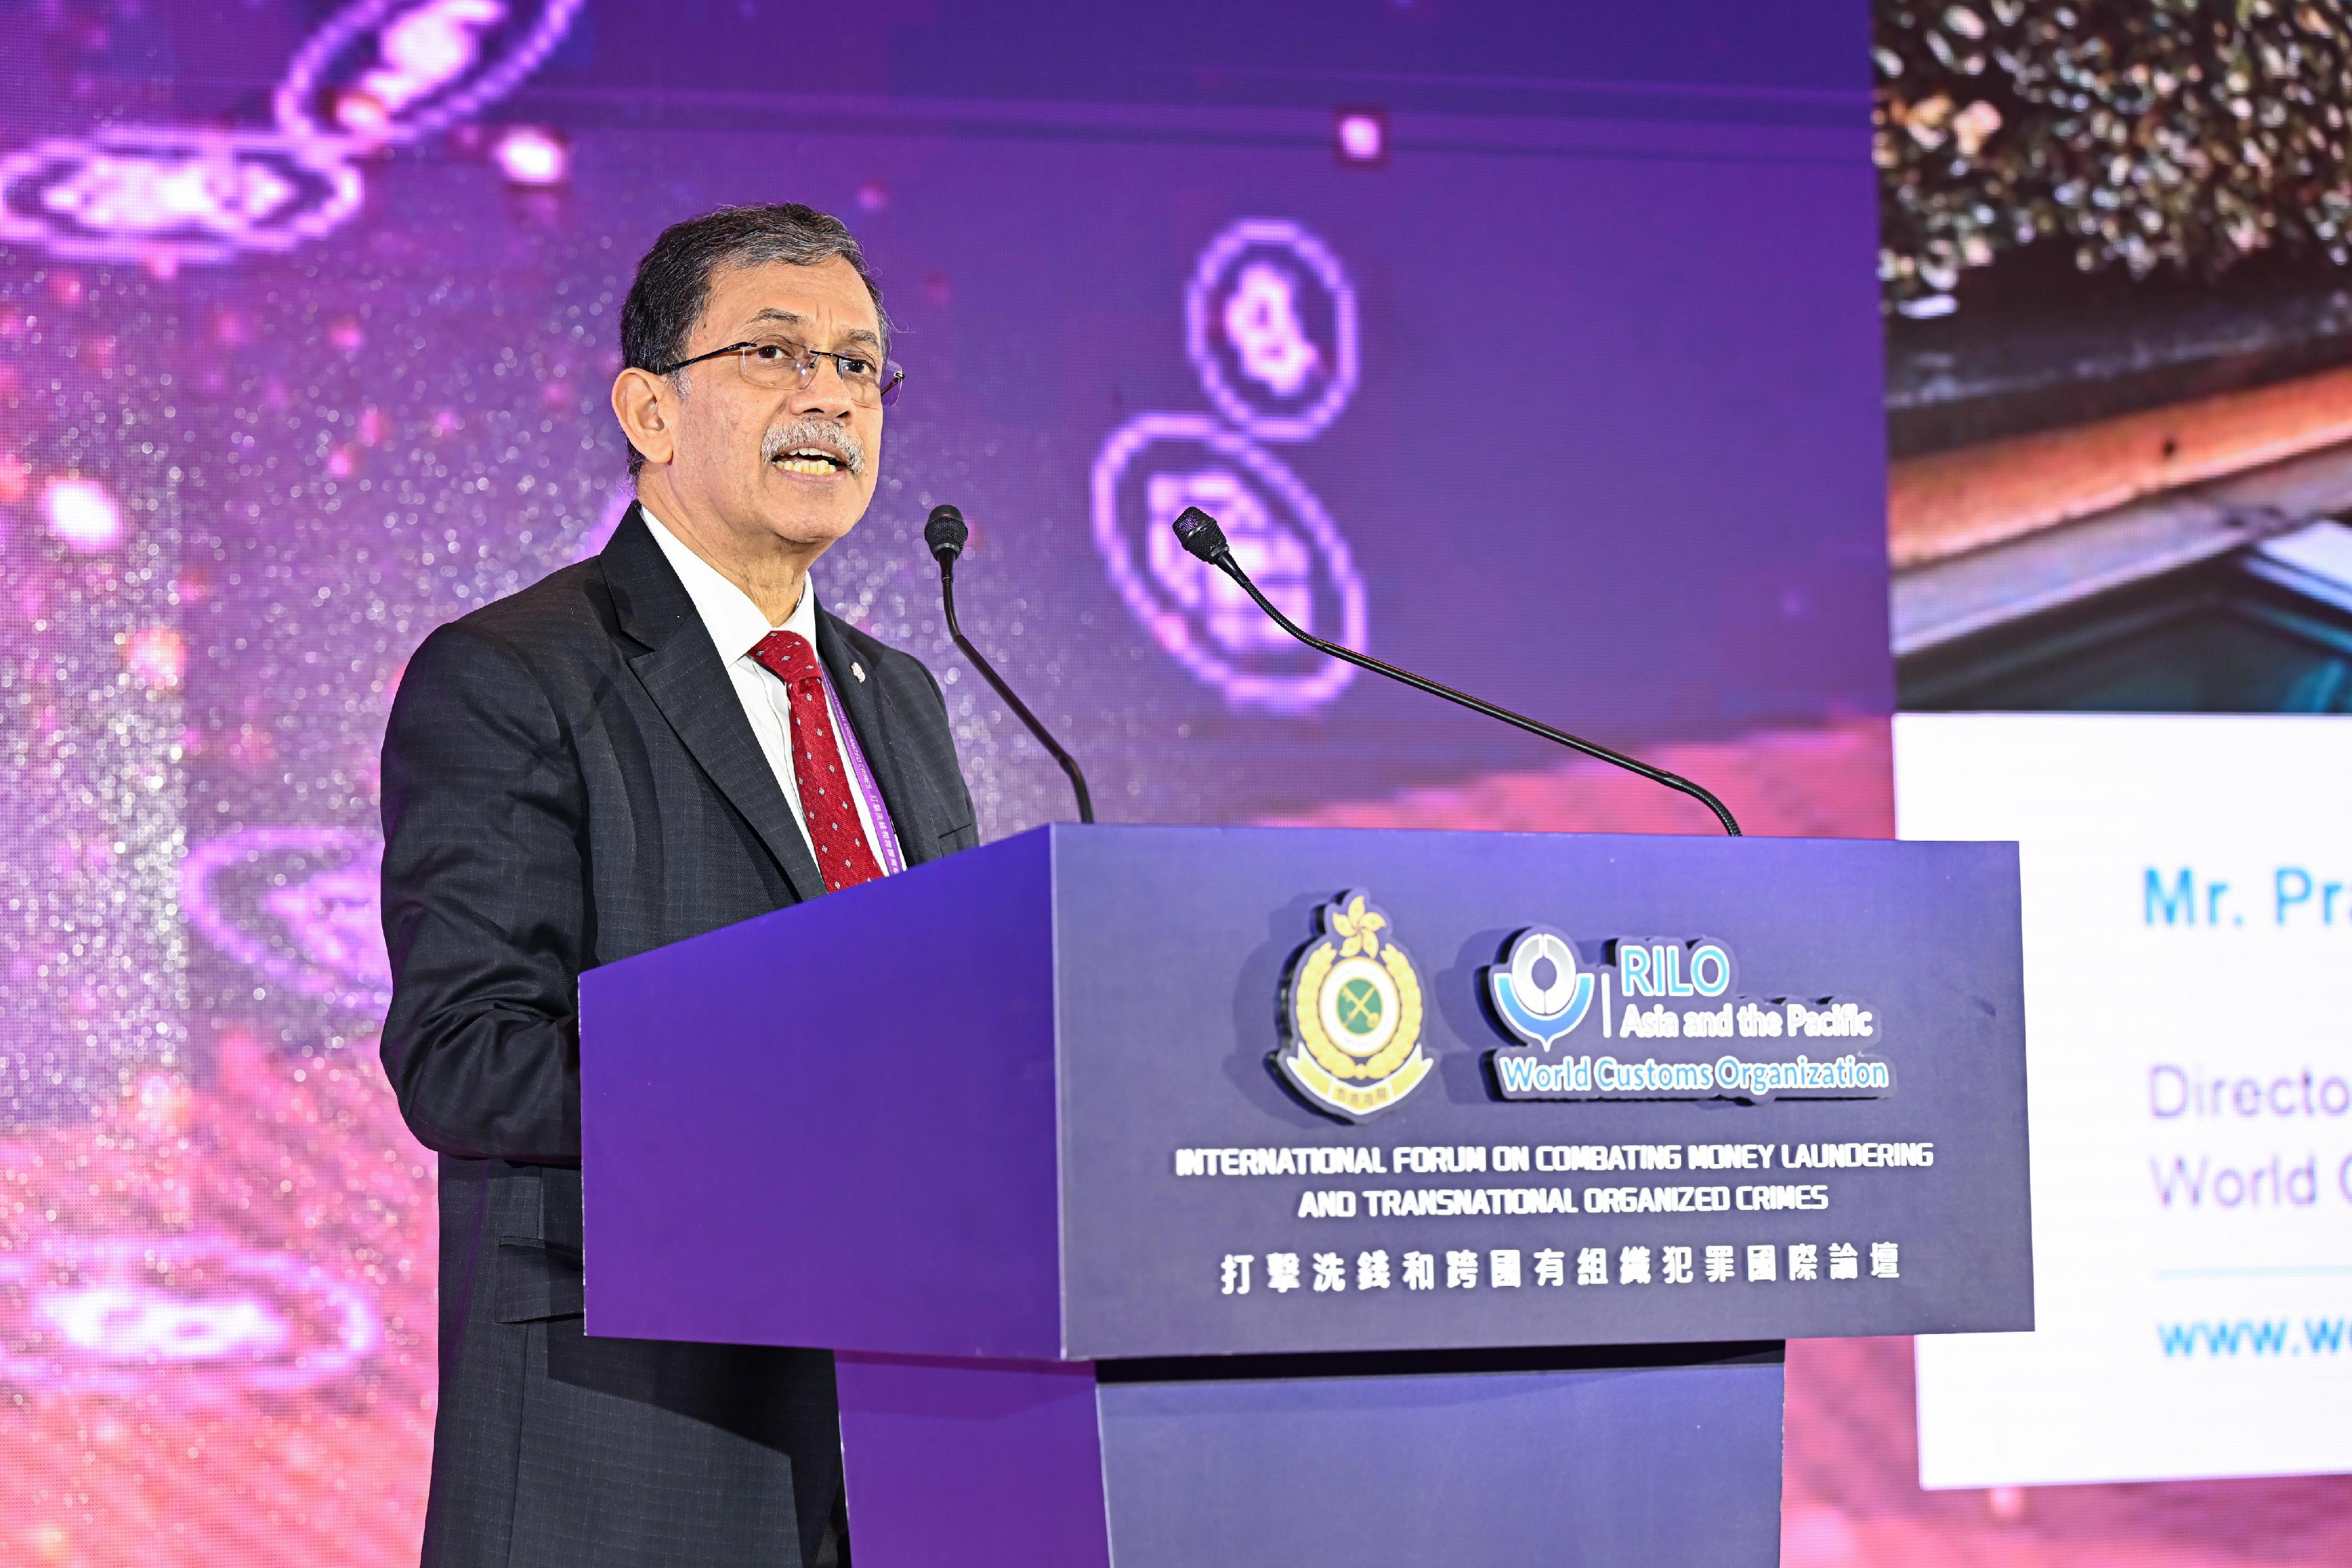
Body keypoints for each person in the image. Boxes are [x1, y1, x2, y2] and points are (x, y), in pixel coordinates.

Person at [379, 203, 977, 1567]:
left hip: (906, 1436)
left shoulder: (902, 698)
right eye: (774, 352)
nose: (828, 392)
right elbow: (468, 1057)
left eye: (858, 363)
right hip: (636, 1440)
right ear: (649, 408)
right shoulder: (516, 672)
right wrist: (810, 1099)